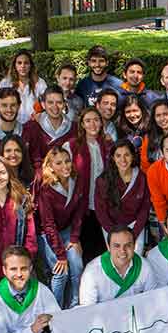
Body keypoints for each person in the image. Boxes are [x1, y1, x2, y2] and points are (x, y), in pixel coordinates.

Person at [35, 147, 86, 309]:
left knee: (77, 265)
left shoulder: (76, 180)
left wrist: (74, 238)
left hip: (67, 231)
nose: (65, 166)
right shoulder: (46, 189)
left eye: (67, 161)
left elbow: (79, 211)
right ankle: (56, 311)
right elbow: (48, 224)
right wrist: (61, 254)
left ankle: (75, 305)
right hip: (47, 234)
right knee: (61, 272)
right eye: (58, 163)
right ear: (50, 167)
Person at [0, 156, 37, 287]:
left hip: (18, 266)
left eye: (2, 172)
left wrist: (26, 262)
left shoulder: (21, 200)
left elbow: (30, 236)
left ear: (9, 173)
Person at [70, 106, 112, 263]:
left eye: (96, 120)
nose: (92, 124)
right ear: (82, 124)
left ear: (101, 122)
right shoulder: (73, 145)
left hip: (104, 203)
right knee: (87, 248)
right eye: (88, 121)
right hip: (83, 204)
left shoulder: (108, 144)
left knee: (103, 248)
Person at [95, 139, 151, 252]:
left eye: (127, 155)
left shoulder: (141, 178)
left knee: (136, 254)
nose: (123, 160)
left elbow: (144, 209)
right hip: (111, 227)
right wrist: (114, 234)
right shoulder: (103, 180)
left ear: (133, 156)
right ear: (113, 158)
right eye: (118, 156)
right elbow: (101, 211)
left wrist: (133, 234)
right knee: (117, 256)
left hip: (134, 226)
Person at [78, 226, 159, 305]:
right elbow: (87, 309)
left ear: (134, 246)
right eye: (117, 246)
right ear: (108, 247)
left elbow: (152, 299)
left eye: (128, 245)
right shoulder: (92, 272)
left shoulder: (145, 266)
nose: (122, 251)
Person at [22, 87, 77, 172]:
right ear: (43, 104)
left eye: (59, 102)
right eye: (50, 102)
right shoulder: (31, 127)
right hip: (38, 177)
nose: (55, 107)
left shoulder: (74, 129)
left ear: (64, 104)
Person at [0, 50, 47, 123]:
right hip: (10, 124)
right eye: (19, 63)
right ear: (15, 65)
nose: (23, 66)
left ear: (30, 65)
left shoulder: (40, 83)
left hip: (33, 124)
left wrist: (40, 113)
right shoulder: (6, 83)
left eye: (26, 63)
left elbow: (47, 104)